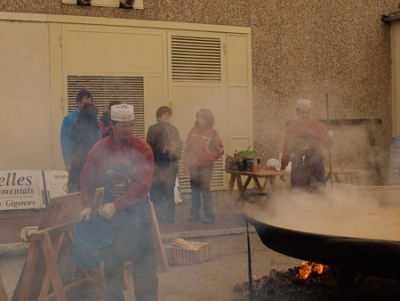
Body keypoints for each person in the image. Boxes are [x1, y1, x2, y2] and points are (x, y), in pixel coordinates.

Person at [79, 104, 158, 301]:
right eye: (124, 126)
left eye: (131, 125)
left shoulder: (142, 148)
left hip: (139, 216)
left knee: (145, 270)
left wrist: (116, 205)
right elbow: (87, 177)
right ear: (112, 125)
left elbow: (143, 185)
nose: (129, 130)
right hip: (112, 220)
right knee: (112, 269)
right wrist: (87, 204)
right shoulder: (100, 148)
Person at [279, 99, 333, 192]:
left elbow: (328, 145)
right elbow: (287, 148)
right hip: (298, 164)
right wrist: (283, 167)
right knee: (298, 191)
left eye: (307, 112)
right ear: (297, 112)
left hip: (316, 165)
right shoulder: (292, 128)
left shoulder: (318, 125)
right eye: (302, 113)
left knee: (318, 191)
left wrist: (330, 138)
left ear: (309, 112)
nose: (305, 115)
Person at [184, 108, 224, 224]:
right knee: (194, 190)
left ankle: (210, 216)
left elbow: (221, 149)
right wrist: (185, 165)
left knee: (205, 191)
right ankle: (194, 214)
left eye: (201, 117)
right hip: (193, 166)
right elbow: (187, 149)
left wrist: (211, 157)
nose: (198, 119)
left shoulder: (213, 133)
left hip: (206, 167)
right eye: (198, 116)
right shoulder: (192, 131)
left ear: (207, 119)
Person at [146, 106, 182, 223]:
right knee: (156, 193)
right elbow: (150, 146)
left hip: (171, 167)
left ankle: (170, 218)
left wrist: (176, 147)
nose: (167, 116)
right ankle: (158, 218)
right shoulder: (152, 129)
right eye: (164, 114)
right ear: (158, 117)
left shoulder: (174, 129)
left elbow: (180, 144)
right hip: (157, 167)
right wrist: (164, 148)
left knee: (169, 193)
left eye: (168, 114)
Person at [67, 103, 100, 193]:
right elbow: (94, 146)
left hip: (76, 162)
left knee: (75, 193)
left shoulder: (75, 126)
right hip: (89, 164)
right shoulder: (92, 128)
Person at [60, 89, 94, 171]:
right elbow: (65, 140)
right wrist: (67, 161)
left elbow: (99, 139)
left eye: (90, 105)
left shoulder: (94, 119)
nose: (87, 107)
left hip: (91, 159)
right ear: (78, 103)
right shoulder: (69, 119)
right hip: (75, 159)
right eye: (85, 104)